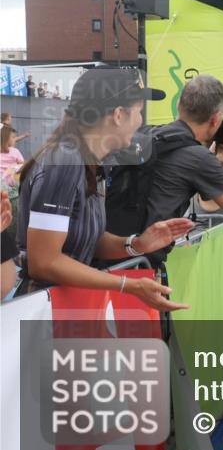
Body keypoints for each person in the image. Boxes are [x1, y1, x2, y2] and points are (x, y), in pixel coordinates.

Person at [14, 67, 194, 310]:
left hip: (65, 311)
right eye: (139, 112)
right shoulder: (65, 161)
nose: (141, 121)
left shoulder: (91, 161)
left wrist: (136, 244)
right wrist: (127, 285)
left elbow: (86, 239)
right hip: (41, 317)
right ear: (119, 115)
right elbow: (44, 261)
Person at [134, 76, 223, 264]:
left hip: (119, 252)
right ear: (216, 119)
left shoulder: (149, 134)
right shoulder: (198, 158)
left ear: (178, 106)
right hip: (144, 266)